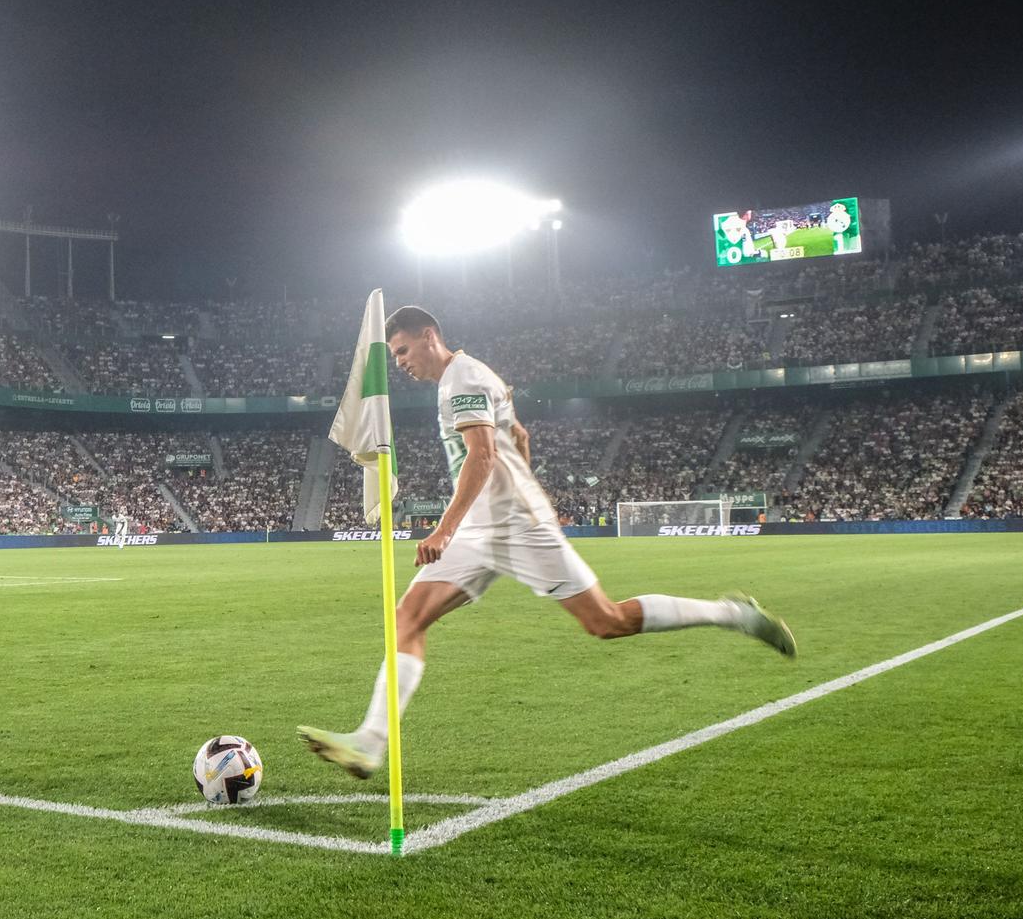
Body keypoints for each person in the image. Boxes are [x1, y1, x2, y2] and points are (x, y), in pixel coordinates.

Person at [299, 305, 795, 780]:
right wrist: (519, 483)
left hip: (514, 526)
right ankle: (370, 742)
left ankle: (735, 615)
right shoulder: (466, 377)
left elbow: (482, 454)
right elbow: (518, 433)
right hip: (484, 525)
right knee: (407, 618)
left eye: (404, 350)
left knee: (607, 622)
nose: (401, 363)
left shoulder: (462, 379)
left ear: (430, 336)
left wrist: (446, 527)